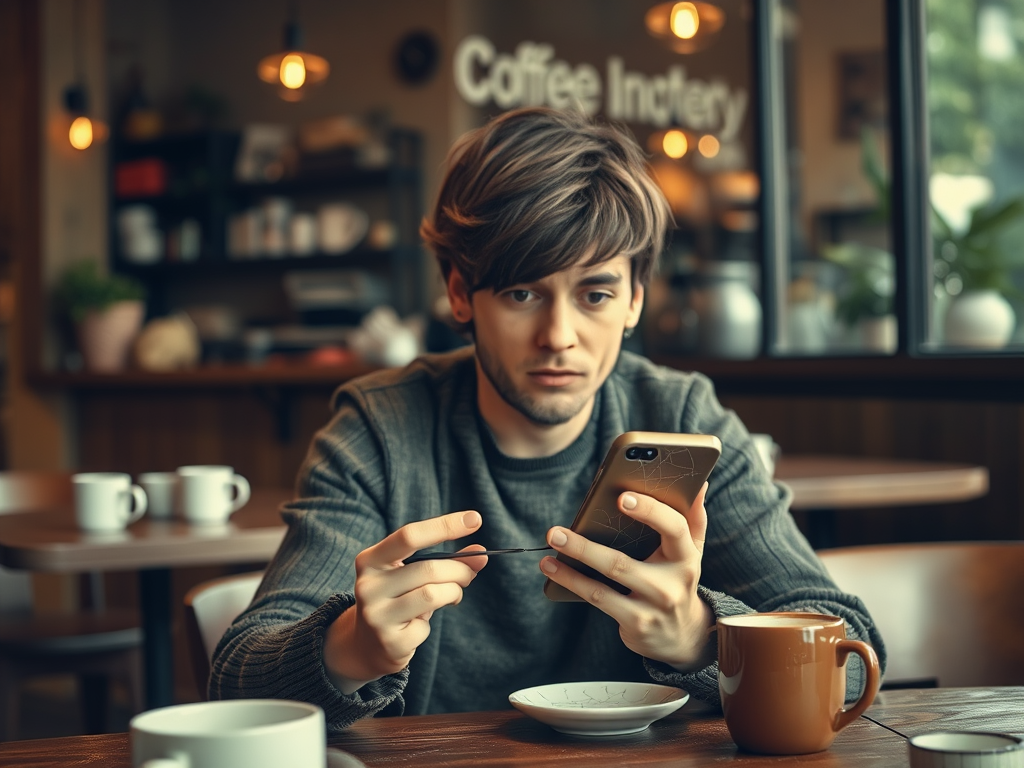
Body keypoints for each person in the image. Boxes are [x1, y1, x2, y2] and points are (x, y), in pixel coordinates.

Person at [210, 106, 885, 731]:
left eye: (595, 293)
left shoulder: (679, 417)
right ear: (459, 293)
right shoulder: (381, 430)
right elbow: (237, 687)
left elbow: (849, 651)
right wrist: (352, 646)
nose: (559, 334)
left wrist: (698, 635)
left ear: (634, 302)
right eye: (523, 292)